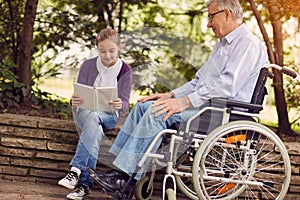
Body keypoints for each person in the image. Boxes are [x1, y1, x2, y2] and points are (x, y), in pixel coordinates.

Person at [95, 0, 268, 196]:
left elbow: (226, 87)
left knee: (157, 112)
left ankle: (125, 178)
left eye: (211, 16)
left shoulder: (247, 44)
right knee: (143, 107)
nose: (208, 24)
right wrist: (170, 95)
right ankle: (117, 171)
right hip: (208, 107)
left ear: (227, 14)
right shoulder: (223, 46)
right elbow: (198, 83)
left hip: (225, 114)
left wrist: (183, 103)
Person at [57, 28, 132, 200]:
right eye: (102, 51)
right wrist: (74, 100)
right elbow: (78, 94)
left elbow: (126, 103)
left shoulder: (125, 70)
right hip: (85, 112)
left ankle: (76, 169)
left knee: (94, 120)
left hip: (109, 115)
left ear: (119, 47)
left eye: (112, 51)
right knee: (93, 126)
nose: (107, 55)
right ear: (97, 48)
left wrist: (121, 103)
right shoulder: (88, 65)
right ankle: (84, 185)